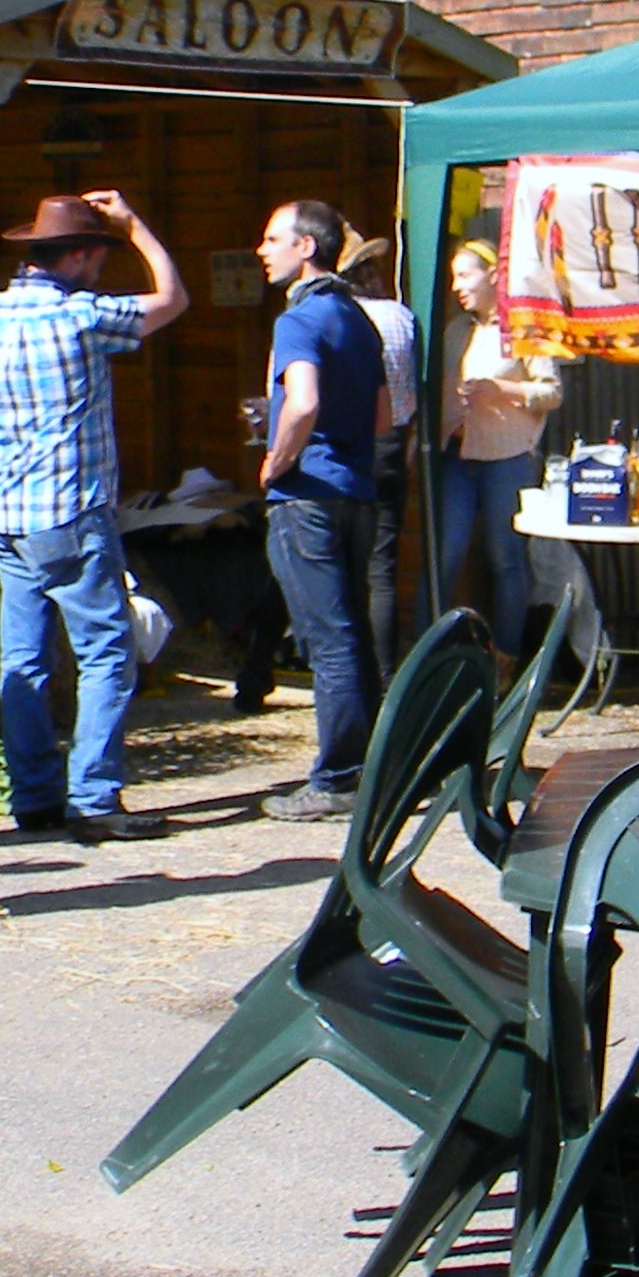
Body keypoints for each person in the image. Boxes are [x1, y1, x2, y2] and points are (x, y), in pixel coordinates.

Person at [0, 191, 188, 841]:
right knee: (106, 653)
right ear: (76, 256)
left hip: (5, 512)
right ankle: (95, 799)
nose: (102, 266)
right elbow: (172, 300)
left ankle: (34, 798)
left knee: (22, 659)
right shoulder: (82, 317)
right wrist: (136, 228)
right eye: (98, 254)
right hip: (70, 511)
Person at [254, 198, 386, 822]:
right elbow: (385, 415)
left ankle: (337, 780)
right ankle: (372, 767)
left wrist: (276, 460)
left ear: (306, 247)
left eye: (272, 239)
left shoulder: (299, 319)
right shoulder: (359, 318)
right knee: (353, 634)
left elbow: (302, 402)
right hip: (356, 489)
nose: (262, 250)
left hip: (306, 493)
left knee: (328, 642)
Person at [436, 239, 559, 641]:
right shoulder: (457, 331)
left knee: (506, 559)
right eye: (454, 277)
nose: (456, 286)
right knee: (444, 556)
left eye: (464, 275)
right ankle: (427, 650)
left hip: (507, 457)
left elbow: (552, 392)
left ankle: (506, 655)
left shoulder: (523, 327)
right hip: (456, 454)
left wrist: (500, 389)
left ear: (492, 275)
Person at [340, 236, 423, 677]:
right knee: (382, 566)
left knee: (335, 560)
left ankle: (346, 669)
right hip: (391, 442)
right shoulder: (400, 316)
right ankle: (386, 675)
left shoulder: (337, 318)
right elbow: (412, 388)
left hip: (347, 444)